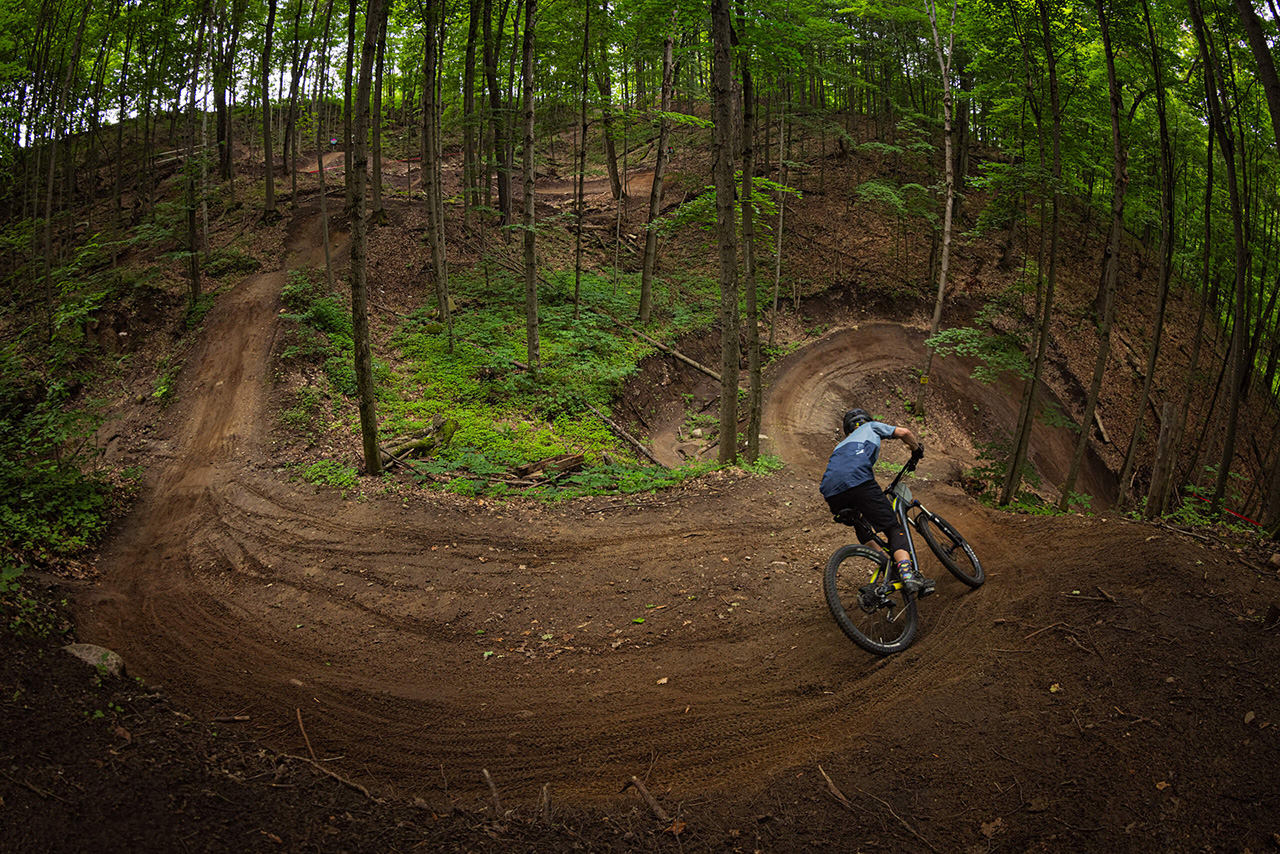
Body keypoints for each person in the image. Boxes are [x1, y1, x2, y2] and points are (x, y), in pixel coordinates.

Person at [820, 407, 933, 596]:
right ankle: (907, 574)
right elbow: (904, 432)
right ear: (865, 420)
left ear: (848, 429)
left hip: (831, 491)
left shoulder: (840, 445)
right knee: (893, 528)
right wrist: (916, 450)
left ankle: (885, 563)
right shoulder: (870, 426)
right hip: (858, 480)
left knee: (861, 524)